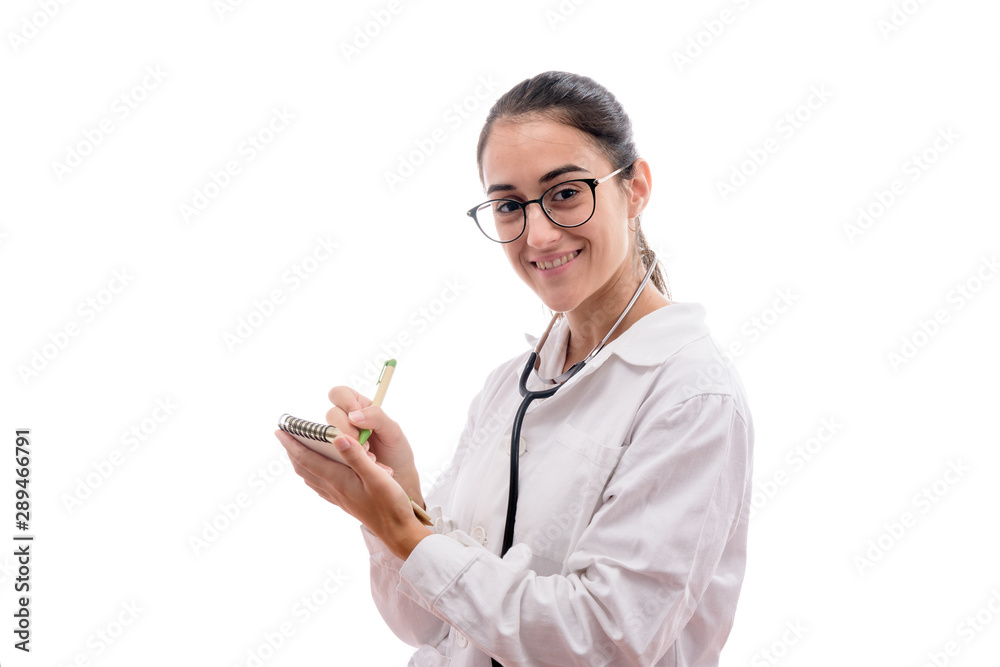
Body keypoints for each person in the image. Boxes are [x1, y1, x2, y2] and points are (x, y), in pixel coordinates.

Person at [276, 71, 754, 666]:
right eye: (508, 206)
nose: (539, 234)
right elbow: (424, 624)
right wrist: (399, 499)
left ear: (635, 189)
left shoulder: (691, 396)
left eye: (566, 193)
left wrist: (407, 535)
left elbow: (606, 642)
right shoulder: (509, 386)